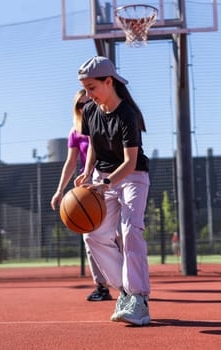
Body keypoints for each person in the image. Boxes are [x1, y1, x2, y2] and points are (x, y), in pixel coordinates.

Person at [74, 56, 151, 326]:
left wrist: (106, 183)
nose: (88, 94)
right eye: (85, 88)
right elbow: (94, 143)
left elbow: (130, 162)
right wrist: (87, 170)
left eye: (92, 87)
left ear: (109, 82)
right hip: (101, 176)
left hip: (132, 177)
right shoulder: (91, 110)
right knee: (94, 236)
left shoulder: (127, 114)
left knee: (130, 231)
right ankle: (126, 292)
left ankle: (139, 300)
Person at [51, 89, 113, 302]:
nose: (84, 108)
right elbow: (70, 162)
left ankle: (126, 282)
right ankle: (101, 285)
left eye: (88, 103)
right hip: (88, 186)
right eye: (80, 105)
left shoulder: (105, 123)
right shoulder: (75, 131)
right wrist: (60, 190)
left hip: (110, 178)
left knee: (119, 235)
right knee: (90, 234)